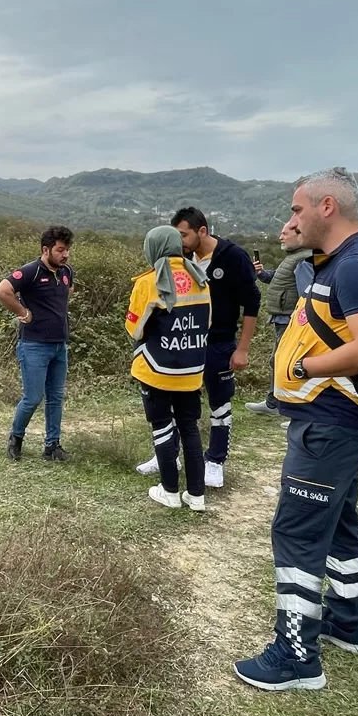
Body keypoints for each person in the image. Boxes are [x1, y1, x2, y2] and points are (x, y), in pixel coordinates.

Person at [234, 167, 358, 692]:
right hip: (331, 422)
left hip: (332, 424)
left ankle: (295, 655)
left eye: (296, 209)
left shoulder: (357, 265)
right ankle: (349, 624)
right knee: (339, 522)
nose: (292, 218)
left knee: (297, 531)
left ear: (326, 206)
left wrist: (306, 368)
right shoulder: (341, 262)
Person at [170, 207, 261, 488]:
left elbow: (252, 303)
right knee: (176, 401)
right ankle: (169, 454)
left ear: (202, 231)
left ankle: (215, 461)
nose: (180, 241)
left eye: (183, 234)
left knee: (219, 404)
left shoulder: (233, 257)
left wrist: (242, 349)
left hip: (219, 343)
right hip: (186, 342)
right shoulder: (182, 257)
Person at [126, 227, 212, 510]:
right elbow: (206, 324)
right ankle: (197, 496)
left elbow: (134, 329)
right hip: (191, 370)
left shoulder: (149, 282)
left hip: (157, 369)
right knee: (190, 429)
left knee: (162, 428)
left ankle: (170, 492)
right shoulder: (200, 279)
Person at [0, 226, 75, 462]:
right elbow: (2, 291)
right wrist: (22, 311)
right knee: (32, 397)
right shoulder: (31, 271)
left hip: (60, 344)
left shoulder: (67, 271)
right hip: (34, 345)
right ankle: (15, 439)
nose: (65, 255)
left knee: (56, 397)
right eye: (60, 250)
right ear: (45, 249)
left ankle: (52, 446)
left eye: (67, 250)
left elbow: (67, 291)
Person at [245, 225, 313, 417]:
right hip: (283, 317)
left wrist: (300, 322)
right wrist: (262, 274)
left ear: (299, 236)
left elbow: (307, 295)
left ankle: (288, 406)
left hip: (291, 320)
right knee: (278, 360)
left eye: (285, 233)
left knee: (288, 361)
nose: (280, 236)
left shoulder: (303, 260)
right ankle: (274, 403)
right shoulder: (294, 258)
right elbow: (279, 279)